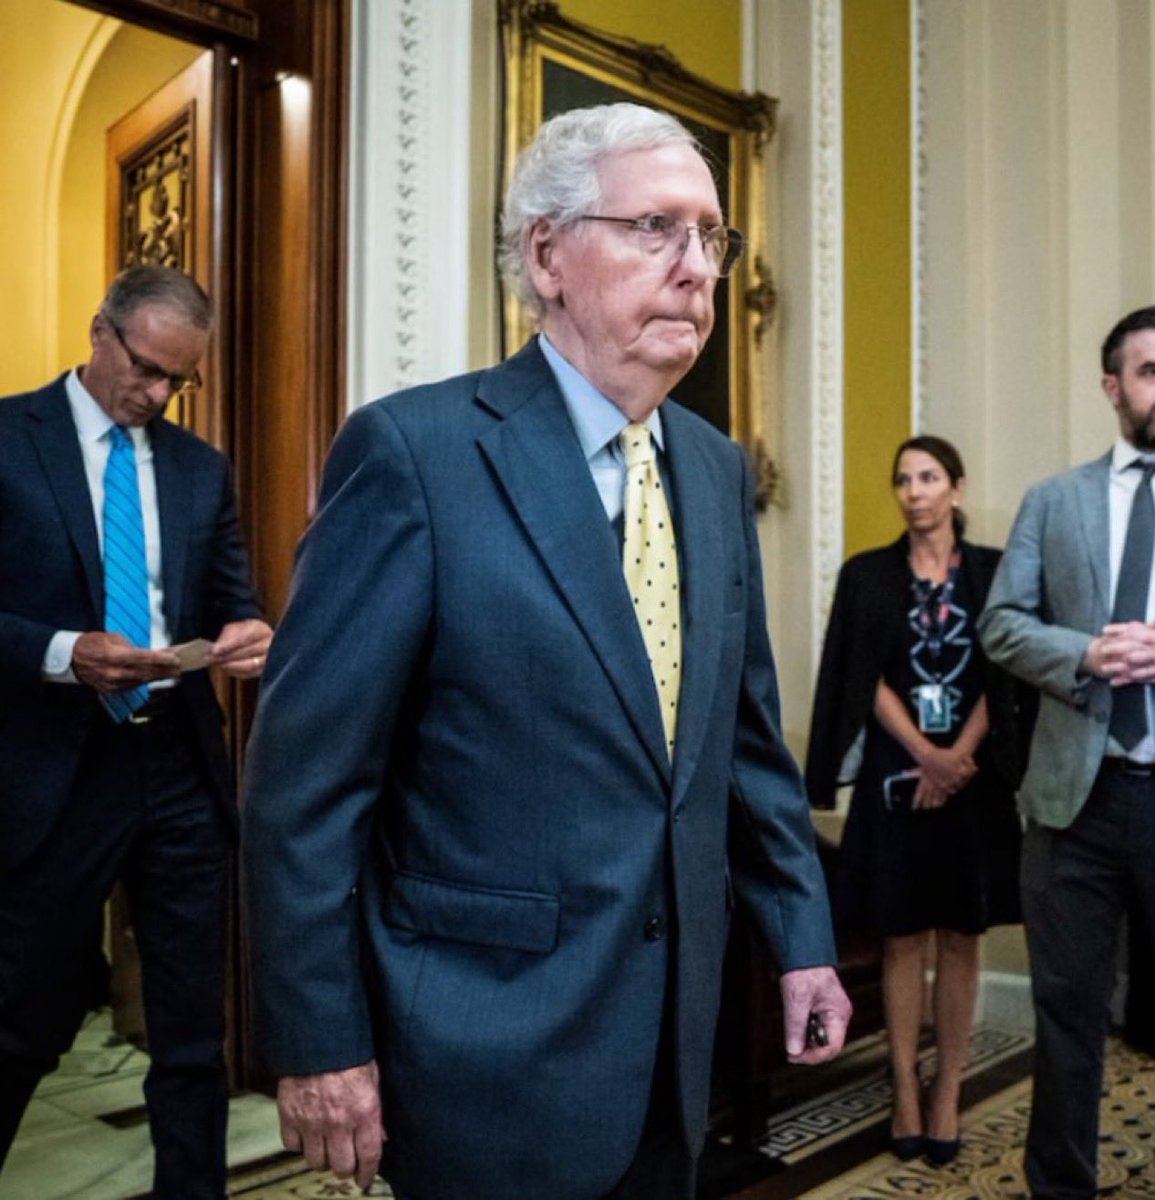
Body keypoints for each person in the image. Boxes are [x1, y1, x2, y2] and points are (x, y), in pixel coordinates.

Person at [242, 102, 851, 1200]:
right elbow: (307, 788)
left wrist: (803, 936)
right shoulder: (416, 454)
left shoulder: (713, 470)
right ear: (547, 255)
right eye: (655, 228)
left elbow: (743, 745)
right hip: (483, 1047)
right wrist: (319, 1040)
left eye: (710, 238)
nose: (695, 267)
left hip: (675, 1042)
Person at [0, 265, 273, 1198]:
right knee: (23, 1017)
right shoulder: (5, 438)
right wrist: (60, 651)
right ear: (99, 332)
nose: (156, 395)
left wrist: (246, 635)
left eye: (176, 382)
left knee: (192, 1030)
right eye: (147, 369)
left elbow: (235, 601)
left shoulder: (202, 469)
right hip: (50, 775)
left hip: (179, 768)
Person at [807, 436, 1025, 1167]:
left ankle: (947, 1091)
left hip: (973, 781)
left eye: (928, 477)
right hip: (896, 781)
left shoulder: (995, 572)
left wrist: (959, 755)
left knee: (962, 935)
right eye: (902, 478)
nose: (913, 490)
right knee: (901, 936)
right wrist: (927, 755)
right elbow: (857, 675)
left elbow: (1009, 669)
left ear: (956, 489)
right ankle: (903, 1086)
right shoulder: (866, 575)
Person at [978, 305, 1155, 1199]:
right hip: (1073, 800)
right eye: (1150, 369)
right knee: (1066, 1018)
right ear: (1112, 386)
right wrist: (1080, 653)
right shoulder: (1056, 500)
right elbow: (1000, 624)